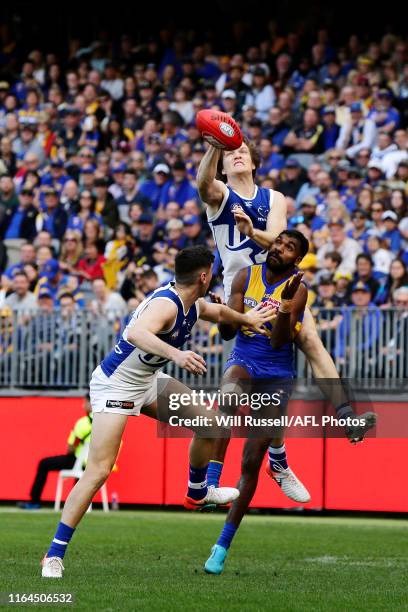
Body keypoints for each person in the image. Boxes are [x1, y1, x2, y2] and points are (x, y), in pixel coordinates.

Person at [41, 245, 275, 578]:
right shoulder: (167, 303)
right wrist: (177, 356)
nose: (217, 277)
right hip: (116, 385)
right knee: (98, 471)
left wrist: (247, 318)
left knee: (211, 424)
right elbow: (136, 332)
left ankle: (197, 492)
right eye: (214, 272)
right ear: (204, 275)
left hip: (147, 381)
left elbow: (221, 315)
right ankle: (53, 555)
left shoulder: (192, 303)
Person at [196, 139, 375, 449]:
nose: (237, 155)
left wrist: (252, 231)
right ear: (222, 168)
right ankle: (270, 460)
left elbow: (279, 242)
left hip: (279, 285)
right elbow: (202, 183)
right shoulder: (220, 194)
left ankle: (346, 417)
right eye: (230, 154)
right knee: (238, 390)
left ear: (254, 163)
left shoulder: (274, 198)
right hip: (242, 291)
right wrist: (215, 143)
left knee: (311, 343)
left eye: (242, 152)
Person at [204, 232, 308, 575]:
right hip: (244, 360)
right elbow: (227, 335)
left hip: (276, 373)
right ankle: (212, 484)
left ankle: (222, 545)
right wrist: (223, 312)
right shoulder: (245, 275)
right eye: (278, 242)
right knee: (228, 396)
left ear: (297, 259)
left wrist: (286, 306)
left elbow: (280, 340)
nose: (279, 248)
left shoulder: (298, 289)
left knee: (251, 462)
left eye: (288, 247)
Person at [17, 395, 93, 509]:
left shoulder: (83, 423)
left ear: (91, 403)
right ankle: (75, 505)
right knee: (79, 471)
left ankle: (34, 502)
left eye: (85, 402)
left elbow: (71, 448)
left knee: (44, 463)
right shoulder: (105, 423)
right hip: (93, 464)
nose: (83, 405)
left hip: (77, 461)